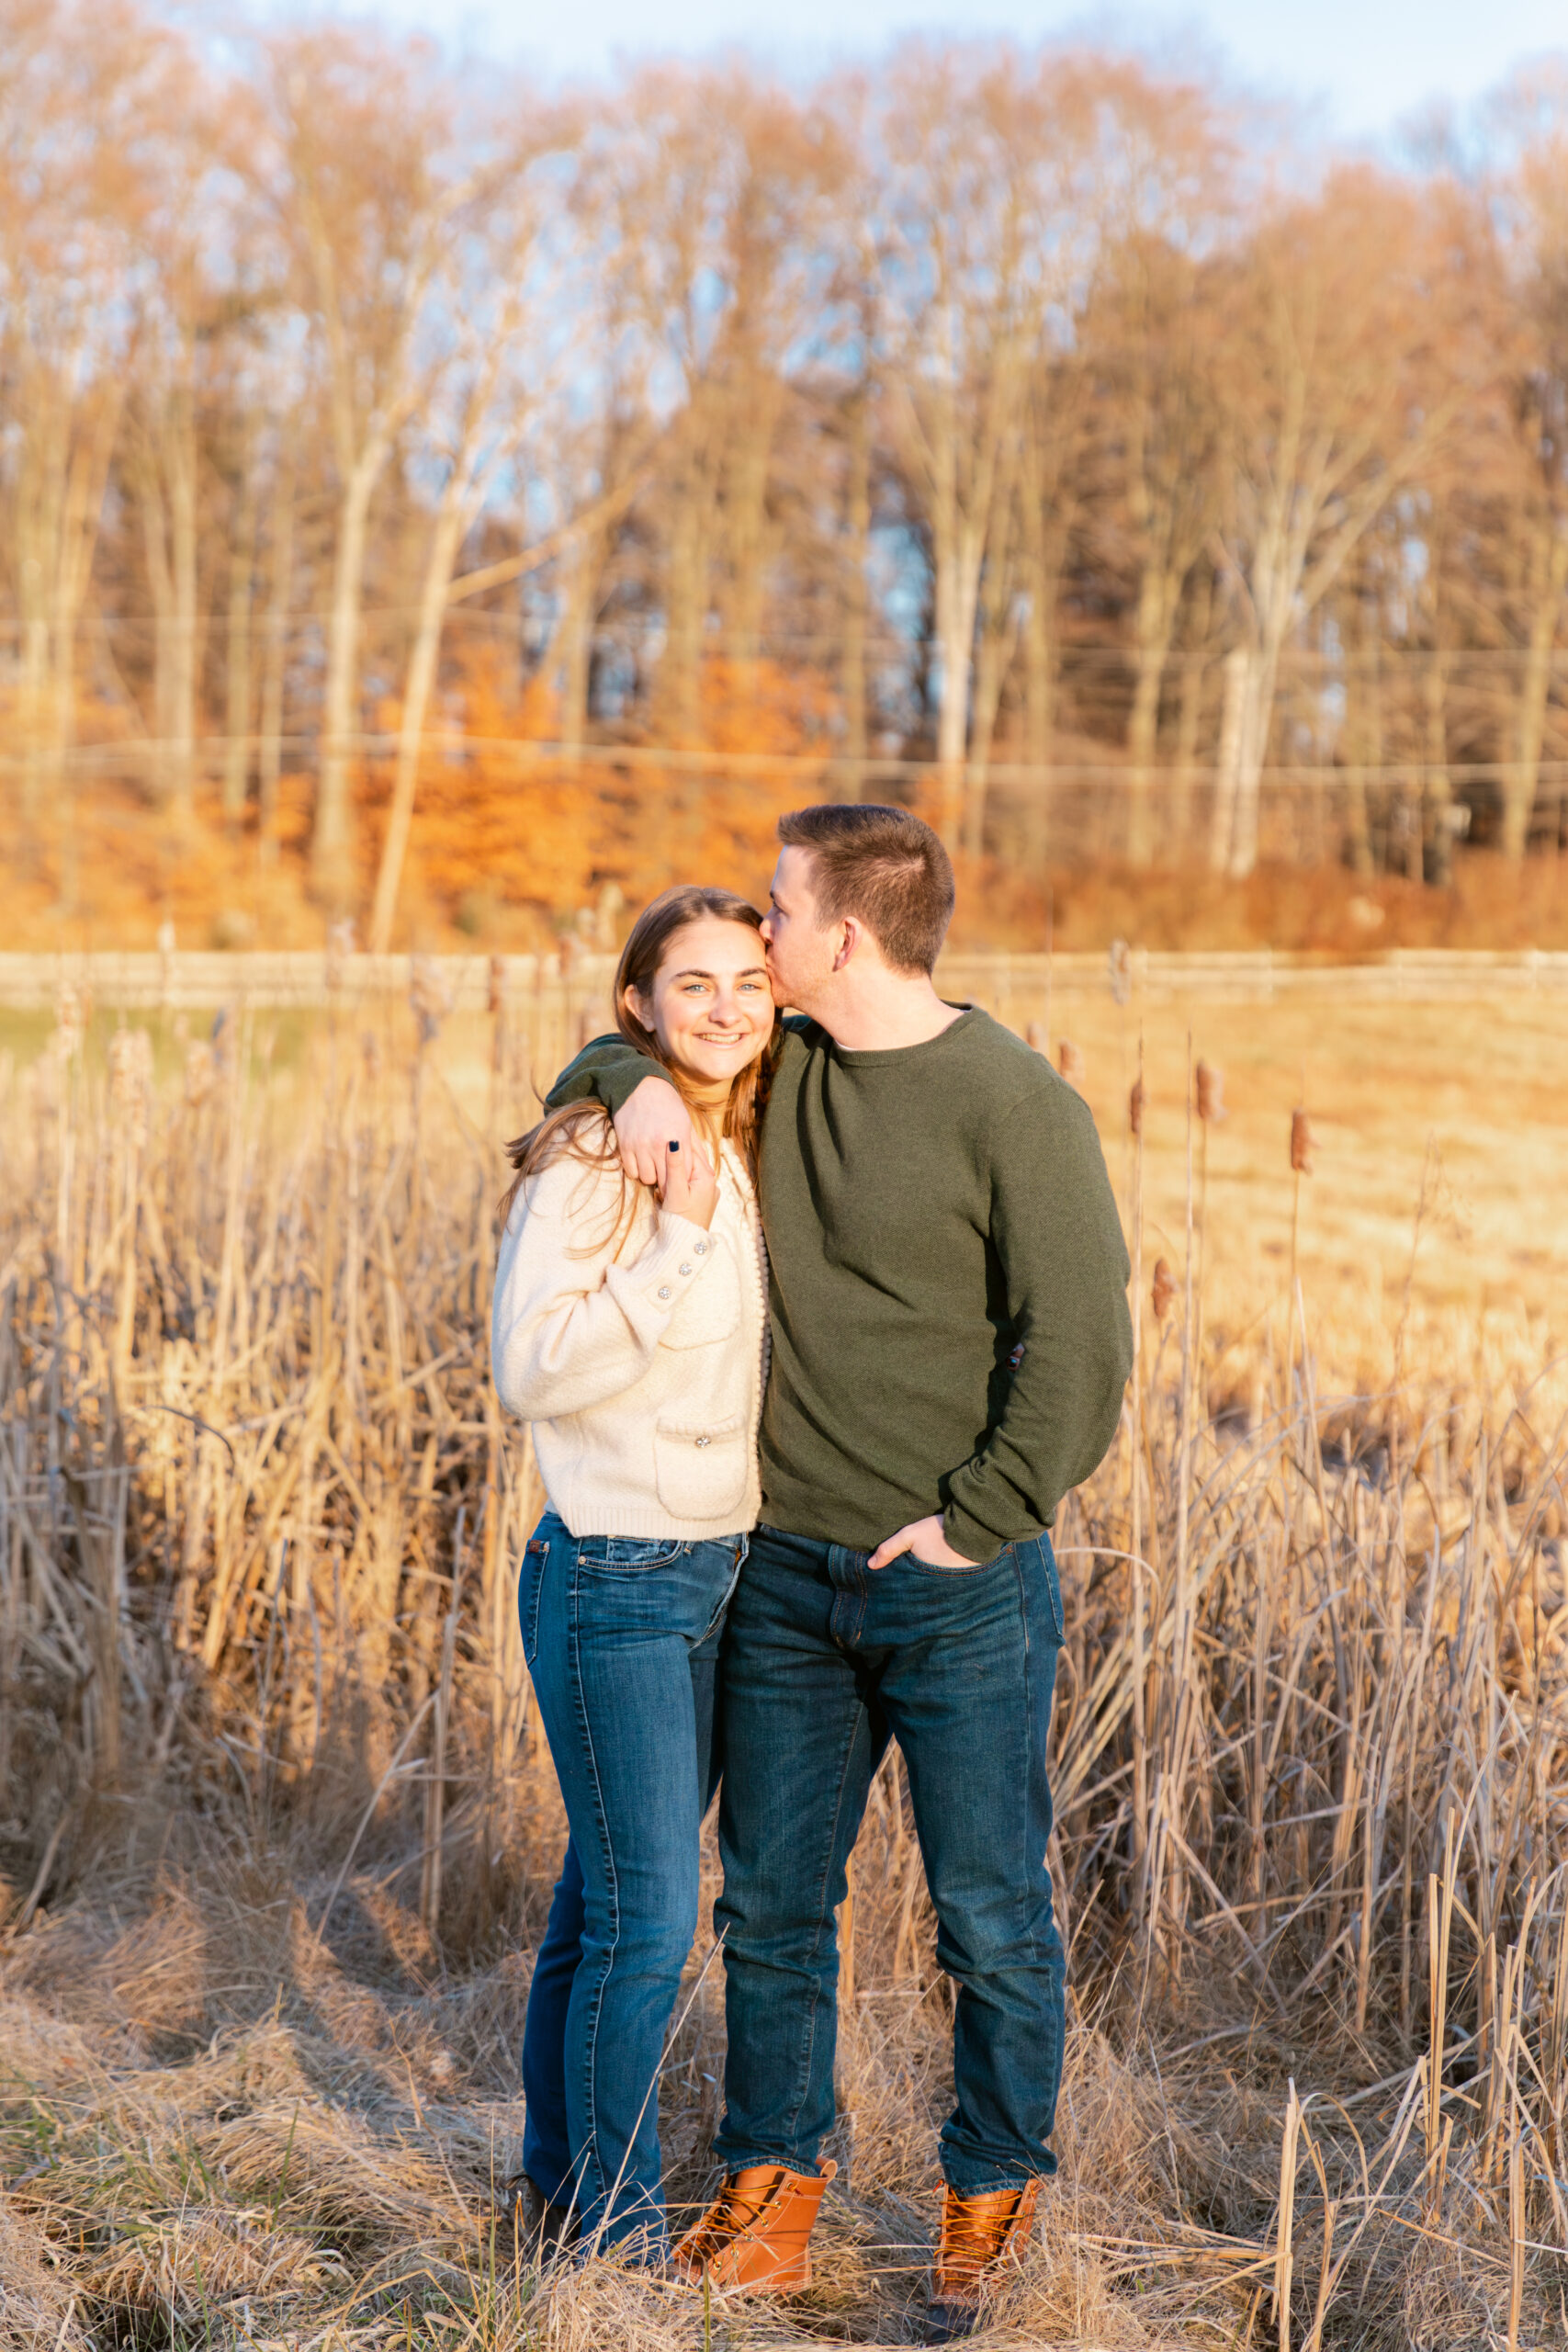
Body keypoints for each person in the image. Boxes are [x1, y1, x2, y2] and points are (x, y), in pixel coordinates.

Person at [547, 805, 1133, 2338]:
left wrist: (977, 1517)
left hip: (959, 1584)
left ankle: (991, 2197)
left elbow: (1080, 1352)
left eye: (781, 914)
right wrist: (626, 1086)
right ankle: (773, 2189)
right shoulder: (781, 1066)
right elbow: (615, 1051)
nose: (759, 937)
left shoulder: (1018, 1104)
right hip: (783, 1580)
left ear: (843, 938)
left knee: (990, 1912)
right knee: (774, 1909)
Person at [491, 884, 774, 2259]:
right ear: (637, 1006)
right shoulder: (598, 1155)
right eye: (693, 984)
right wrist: (671, 1239)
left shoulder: (744, 1133)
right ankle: (610, 2240)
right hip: (614, 1572)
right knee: (651, 1923)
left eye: (747, 982)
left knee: (603, 1903)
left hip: (721, 1576)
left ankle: (555, 2186)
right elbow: (527, 1370)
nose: (723, 1008)